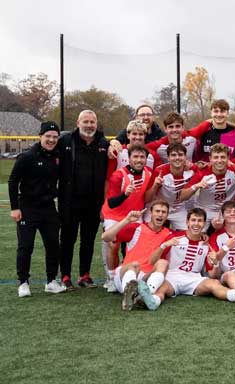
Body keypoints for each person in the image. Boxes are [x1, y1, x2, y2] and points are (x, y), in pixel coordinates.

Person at [135, 208, 235, 310]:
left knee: (214, 283)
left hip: (193, 278)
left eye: (200, 221)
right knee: (162, 288)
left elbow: (211, 275)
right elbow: (152, 261)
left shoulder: (206, 244)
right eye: (193, 220)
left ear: (204, 224)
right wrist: (164, 245)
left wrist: (215, 263)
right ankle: (153, 301)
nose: (196, 224)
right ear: (187, 222)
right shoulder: (174, 237)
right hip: (172, 276)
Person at [9, 121, 65, 296]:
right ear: (40, 136)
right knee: (26, 246)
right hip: (28, 208)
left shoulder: (58, 156)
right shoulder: (27, 156)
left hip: (48, 208)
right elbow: (13, 181)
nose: (51, 140)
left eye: (55, 137)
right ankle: (23, 282)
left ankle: (51, 281)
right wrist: (15, 208)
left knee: (53, 245)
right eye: (48, 136)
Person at [57, 110, 110, 289]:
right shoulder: (66, 141)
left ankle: (84, 275)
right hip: (70, 201)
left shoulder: (104, 143)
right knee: (67, 239)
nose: (89, 125)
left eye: (92, 122)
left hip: (93, 203)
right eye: (85, 121)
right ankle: (65, 276)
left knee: (88, 240)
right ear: (78, 123)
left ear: (96, 123)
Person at [100, 202, 172, 310]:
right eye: (157, 211)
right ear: (151, 213)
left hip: (147, 278)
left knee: (163, 263)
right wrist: (127, 220)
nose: (160, 215)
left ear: (167, 216)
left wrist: (203, 236)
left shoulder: (169, 235)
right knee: (134, 265)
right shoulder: (136, 228)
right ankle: (129, 292)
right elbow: (105, 237)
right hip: (126, 274)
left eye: (163, 212)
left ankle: (145, 293)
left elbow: (188, 235)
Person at [101, 143, 155, 288]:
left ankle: (131, 275)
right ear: (129, 158)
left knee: (137, 247)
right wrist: (125, 194)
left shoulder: (149, 173)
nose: (139, 160)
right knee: (113, 244)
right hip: (115, 215)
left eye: (142, 157)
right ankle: (112, 278)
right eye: (135, 157)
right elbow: (111, 203)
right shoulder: (119, 175)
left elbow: (148, 198)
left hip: (135, 215)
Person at [180, 143, 235, 229]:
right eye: (216, 157)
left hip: (226, 211)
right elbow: (182, 196)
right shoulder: (202, 173)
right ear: (210, 159)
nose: (219, 161)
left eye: (223, 157)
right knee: (196, 236)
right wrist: (196, 186)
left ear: (228, 158)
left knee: (231, 236)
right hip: (203, 209)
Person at [145, 143, 197, 230]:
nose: (177, 158)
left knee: (189, 232)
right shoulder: (159, 171)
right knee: (147, 231)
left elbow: (206, 169)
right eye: (173, 155)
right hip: (158, 207)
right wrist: (155, 186)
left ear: (185, 157)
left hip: (178, 209)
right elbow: (147, 198)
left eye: (180, 155)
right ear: (168, 158)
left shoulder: (192, 170)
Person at [144, 112, 209, 165]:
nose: (174, 130)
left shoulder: (191, 136)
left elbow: (207, 123)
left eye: (177, 126)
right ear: (165, 129)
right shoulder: (159, 145)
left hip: (190, 174)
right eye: (171, 127)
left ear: (183, 128)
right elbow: (141, 148)